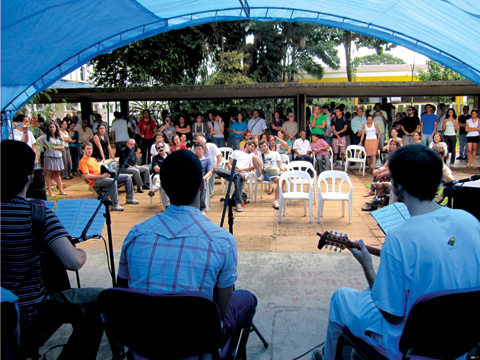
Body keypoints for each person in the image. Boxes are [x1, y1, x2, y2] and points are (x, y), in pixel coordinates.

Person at [313, 144, 480, 360]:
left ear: (398, 185)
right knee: (372, 290)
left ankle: (331, 356)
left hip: (409, 346)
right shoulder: (470, 221)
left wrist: (367, 267)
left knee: (341, 298)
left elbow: (391, 315)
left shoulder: (400, 238)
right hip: (461, 340)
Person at [117, 150, 258, 357]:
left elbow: (123, 293)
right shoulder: (222, 241)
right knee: (246, 298)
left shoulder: (135, 234)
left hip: (142, 345)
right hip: (196, 347)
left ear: (163, 186)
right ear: (202, 184)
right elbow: (220, 311)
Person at [0, 140, 104, 360]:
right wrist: (80, 251)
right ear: (29, 177)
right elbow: (73, 262)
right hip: (28, 314)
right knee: (100, 302)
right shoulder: (36, 213)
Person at [79, 142, 139, 211]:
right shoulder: (82, 162)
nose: (90, 151)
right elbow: (87, 176)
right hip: (95, 181)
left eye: (91, 149)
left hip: (103, 177)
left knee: (127, 177)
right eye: (87, 149)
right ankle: (115, 205)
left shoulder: (93, 159)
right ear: (83, 150)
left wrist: (110, 173)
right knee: (112, 182)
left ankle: (130, 198)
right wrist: (102, 176)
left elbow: (100, 170)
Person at [216, 140, 257, 212]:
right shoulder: (236, 152)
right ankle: (239, 175)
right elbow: (229, 164)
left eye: (254, 147)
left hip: (243, 173)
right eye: (252, 146)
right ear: (247, 144)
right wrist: (234, 170)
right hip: (234, 173)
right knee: (218, 170)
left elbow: (252, 167)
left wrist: (240, 170)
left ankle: (238, 203)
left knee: (237, 179)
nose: (253, 148)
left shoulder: (252, 155)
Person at [37, 122, 67, 196]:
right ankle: (50, 191)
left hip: (58, 156)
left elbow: (62, 147)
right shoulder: (45, 136)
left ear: (56, 128)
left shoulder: (59, 136)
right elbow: (37, 141)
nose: (52, 129)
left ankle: (60, 190)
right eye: (50, 127)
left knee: (57, 174)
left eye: (53, 127)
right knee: (49, 174)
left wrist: (53, 147)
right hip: (49, 156)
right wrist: (44, 146)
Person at [254, 140, 286, 209]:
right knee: (255, 158)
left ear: (267, 146)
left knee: (280, 180)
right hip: (264, 172)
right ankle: (262, 176)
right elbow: (259, 165)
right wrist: (264, 164)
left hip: (274, 172)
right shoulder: (259, 155)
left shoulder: (275, 153)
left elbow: (280, 164)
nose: (263, 148)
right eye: (261, 147)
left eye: (264, 146)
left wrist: (282, 170)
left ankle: (275, 201)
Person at [147, 141, 170, 208]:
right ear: (157, 150)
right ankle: (166, 205)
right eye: (158, 148)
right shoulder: (155, 158)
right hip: (158, 175)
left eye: (162, 147)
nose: (161, 149)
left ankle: (153, 190)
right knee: (160, 179)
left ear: (165, 147)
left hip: (170, 176)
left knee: (163, 181)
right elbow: (156, 168)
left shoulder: (170, 156)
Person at [193, 142, 213, 216]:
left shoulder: (207, 160)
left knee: (202, 186)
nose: (197, 150)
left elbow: (210, 172)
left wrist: (204, 178)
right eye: (196, 149)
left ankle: (201, 208)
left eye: (199, 149)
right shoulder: (192, 159)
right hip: (192, 179)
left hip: (202, 178)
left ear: (203, 149)